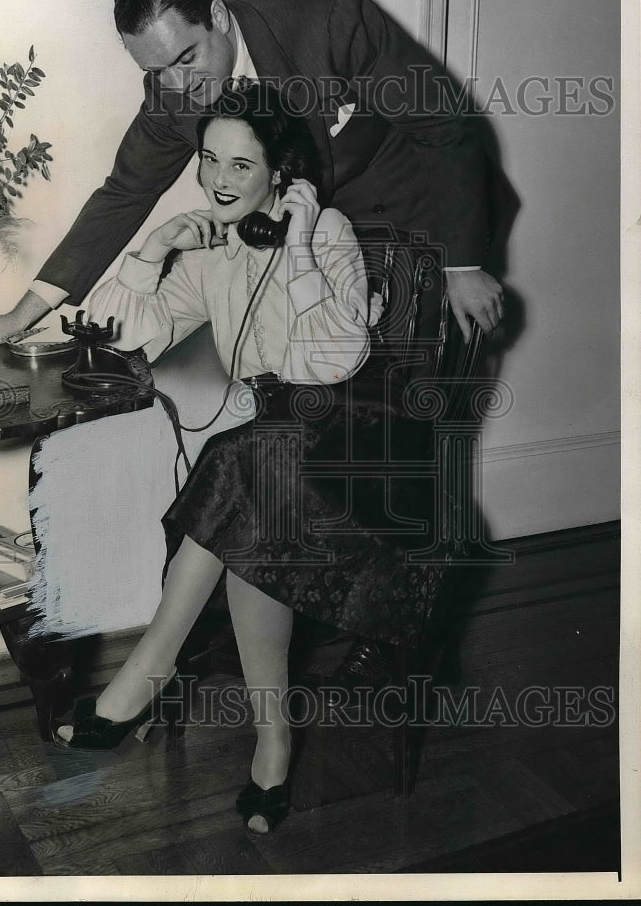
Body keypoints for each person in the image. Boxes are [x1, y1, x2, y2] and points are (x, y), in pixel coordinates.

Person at [0, 0, 508, 693]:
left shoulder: (330, 18)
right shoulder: (175, 88)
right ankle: (287, 618)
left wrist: (461, 261)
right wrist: (26, 309)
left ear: (221, 17)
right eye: (157, 72)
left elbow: (444, 125)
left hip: (419, 233)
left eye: (189, 58)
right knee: (291, 443)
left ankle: (398, 633)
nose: (179, 86)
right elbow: (121, 194)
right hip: (313, 249)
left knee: (392, 446)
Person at [53, 82, 444, 834]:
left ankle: (146, 671)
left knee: (245, 457)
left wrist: (296, 244)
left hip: (361, 449)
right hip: (273, 462)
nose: (220, 181)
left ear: (280, 175)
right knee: (249, 497)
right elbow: (124, 339)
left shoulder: (323, 231)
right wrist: (152, 248)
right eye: (209, 162)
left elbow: (333, 360)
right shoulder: (211, 256)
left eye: (241, 165)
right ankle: (272, 740)